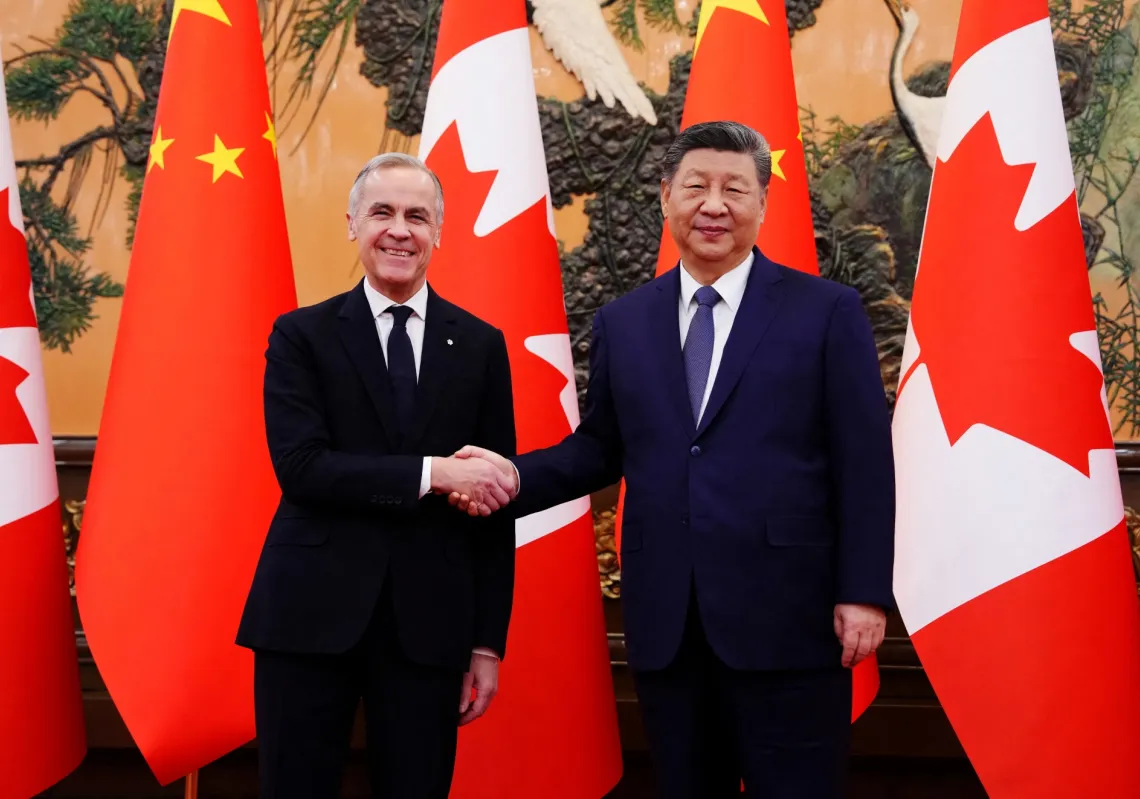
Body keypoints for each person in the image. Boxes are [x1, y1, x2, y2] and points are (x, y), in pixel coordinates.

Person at [450, 121, 896, 798]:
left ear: (762, 203)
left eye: (733, 189)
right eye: (696, 186)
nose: (713, 204)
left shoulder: (826, 312)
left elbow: (864, 460)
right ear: (666, 198)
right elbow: (600, 448)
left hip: (791, 620)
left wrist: (862, 591)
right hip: (670, 624)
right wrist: (508, 474)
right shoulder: (625, 322)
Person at [235, 153, 519, 798]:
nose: (399, 230)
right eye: (382, 212)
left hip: (430, 621)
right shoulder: (301, 336)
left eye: (417, 216)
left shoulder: (479, 344)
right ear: (352, 224)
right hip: (308, 615)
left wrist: (486, 642)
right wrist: (432, 473)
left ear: (439, 232)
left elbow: (493, 499)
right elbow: (302, 469)